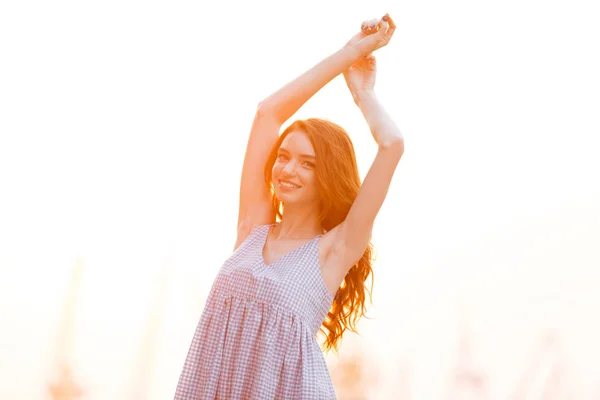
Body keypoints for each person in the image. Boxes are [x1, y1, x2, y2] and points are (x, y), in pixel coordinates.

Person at [174, 13, 403, 400]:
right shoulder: (252, 227)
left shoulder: (335, 249)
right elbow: (267, 113)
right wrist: (347, 53)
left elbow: (392, 144)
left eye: (307, 163)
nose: (288, 169)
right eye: (283, 156)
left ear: (328, 175)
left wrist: (363, 95)